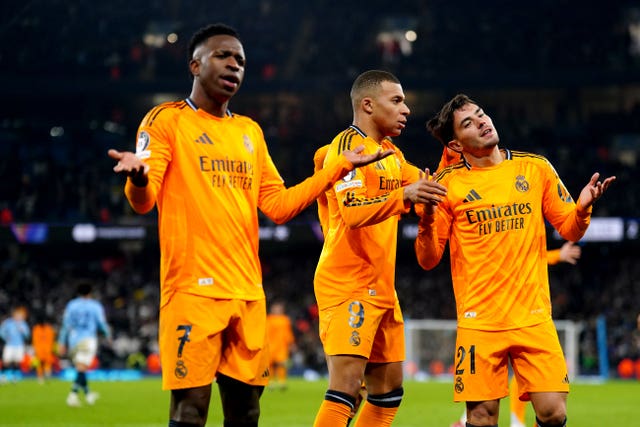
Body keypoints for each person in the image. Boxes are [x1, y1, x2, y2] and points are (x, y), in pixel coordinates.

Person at [107, 24, 393, 427]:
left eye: (240, 60)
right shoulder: (165, 121)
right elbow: (144, 202)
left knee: (247, 413)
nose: (234, 65)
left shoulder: (249, 132)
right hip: (193, 292)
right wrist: (136, 178)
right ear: (195, 64)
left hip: (248, 293)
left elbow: (278, 206)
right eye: (223, 56)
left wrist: (337, 168)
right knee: (190, 411)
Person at [414, 93, 615, 427]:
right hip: (480, 322)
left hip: (533, 316)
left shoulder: (534, 167)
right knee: (481, 418)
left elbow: (570, 228)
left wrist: (581, 209)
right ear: (457, 144)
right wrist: (426, 218)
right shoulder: (446, 186)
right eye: (468, 122)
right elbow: (428, 259)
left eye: (481, 114)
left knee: (553, 413)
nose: (481, 122)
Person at [312, 69, 446, 427]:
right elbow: (354, 213)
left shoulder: (390, 154)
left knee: (389, 390)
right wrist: (404, 195)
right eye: (397, 101)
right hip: (348, 283)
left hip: (381, 286)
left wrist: (465, 165)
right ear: (368, 105)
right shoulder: (346, 147)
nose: (406, 110)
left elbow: (429, 183)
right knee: (345, 387)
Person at [451, 240, 583, 427]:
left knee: (549, 405)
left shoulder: (514, 238)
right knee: (481, 408)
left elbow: (525, 257)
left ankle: (514, 421)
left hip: (523, 319)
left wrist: (556, 256)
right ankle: (500, 421)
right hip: (486, 322)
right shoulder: (484, 243)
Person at [58, 281, 111, 407]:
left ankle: (88, 394)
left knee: (81, 367)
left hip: (73, 340)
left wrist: (61, 342)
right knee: (82, 368)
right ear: (90, 293)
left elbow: (66, 325)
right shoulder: (95, 306)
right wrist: (108, 335)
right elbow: (101, 323)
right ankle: (73, 395)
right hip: (88, 340)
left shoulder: (71, 305)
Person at [265, 300, 295, 390]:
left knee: (282, 364)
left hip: (282, 346)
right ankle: (271, 382)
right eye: (276, 308)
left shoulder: (285, 320)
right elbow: (265, 333)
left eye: (279, 308)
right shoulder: (268, 319)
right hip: (270, 346)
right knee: (270, 365)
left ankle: (282, 382)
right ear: (272, 309)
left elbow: (288, 333)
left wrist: (291, 344)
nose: (277, 310)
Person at [0, 306, 30, 383]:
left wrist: (23, 331)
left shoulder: (23, 324)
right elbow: (1, 331)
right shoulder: (8, 322)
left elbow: (27, 334)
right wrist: (6, 338)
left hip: (19, 345)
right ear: (14, 314)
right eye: (18, 314)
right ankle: (3, 376)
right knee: (6, 361)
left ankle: (15, 377)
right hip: (10, 345)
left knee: (17, 362)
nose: (19, 316)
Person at [32, 312, 56, 384]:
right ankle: (41, 377)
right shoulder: (37, 329)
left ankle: (46, 376)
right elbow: (35, 340)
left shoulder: (48, 329)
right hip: (41, 349)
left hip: (46, 349)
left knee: (47, 363)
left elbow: (51, 339)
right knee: (40, 364)